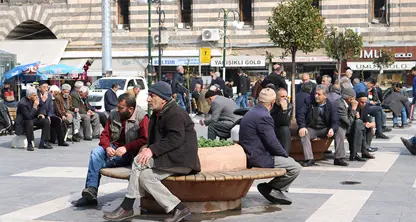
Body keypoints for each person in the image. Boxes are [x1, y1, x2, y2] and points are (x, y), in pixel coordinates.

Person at [103, 82, 200, 222]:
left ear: (163, 99)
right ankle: (180, 208)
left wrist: (151, 150)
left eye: (152, 96)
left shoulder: (175, 113)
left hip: (181, 160)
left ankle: (127, 207)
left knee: (138, 161)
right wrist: (146, 148)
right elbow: (153, 139)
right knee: (145, 177)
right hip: (170, 158)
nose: (148, 99)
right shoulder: (158, 113)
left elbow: (175, 138)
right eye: (149, 95)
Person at [72, 93, 149, 207]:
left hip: (129, 153)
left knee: (96, 163)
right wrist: (107, 147)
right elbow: (105, 135)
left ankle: (90, 195)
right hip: (113, 148)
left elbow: (144, 140)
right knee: (96, 152)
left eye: (121, 108)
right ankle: (91, 189)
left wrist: (126, 148)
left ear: (131, 109)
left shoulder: (142, 117)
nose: (117, 110)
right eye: (117, 106)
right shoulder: (114, 114)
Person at [239, 88, 301, 205]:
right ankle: (271, 188)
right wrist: (284, 155)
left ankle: (274, 189)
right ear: (272, 103)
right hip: (258, 157)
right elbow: (272, 142)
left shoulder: (251, 112)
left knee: (289, 162)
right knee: (295, 167)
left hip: (251, 153)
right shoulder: (264, 117)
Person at [297, 84, 348, 167]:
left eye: (319, 94)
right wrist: (302, 126)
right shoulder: (308, 101)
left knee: (340, 130)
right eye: (315, 94)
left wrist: (332, 129)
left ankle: (339, 158)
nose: (316, 96)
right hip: (311, 127)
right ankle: (309, 159)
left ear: (325, 96)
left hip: (325, 128)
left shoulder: (331, 104)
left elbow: (335, 120)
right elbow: (300, 114)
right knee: (304, 133)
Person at [337, 88, 374, 161]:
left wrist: (371, 124)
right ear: (356, 100)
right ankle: (357, 152)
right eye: (362, 102)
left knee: (365, 126)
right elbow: (348, 122)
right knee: (358, 125)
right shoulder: (350, 106)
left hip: (356, 126)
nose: (363, 104)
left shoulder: (365, 107)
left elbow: (366, 119)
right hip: (346, 127)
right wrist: (354, 109)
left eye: (365, 102)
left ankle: (364, 151)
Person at [15, 87, 52, 151]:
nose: (37, 96)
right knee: (29, 122)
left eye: (36, 94)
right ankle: (30, 143)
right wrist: (35, 107)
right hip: (23, 122)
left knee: (46, 121)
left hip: (33, 119)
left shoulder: (36, 99)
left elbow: (42, 106)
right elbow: (28, 116)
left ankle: (43, 142)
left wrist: (41, 113)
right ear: (29, 97)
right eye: (34, 95)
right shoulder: (22, 103)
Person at [37, 81, 68, 147]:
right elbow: (38, 108)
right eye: (44, 87)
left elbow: (50, 108)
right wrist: (43, 101)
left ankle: (61, 141)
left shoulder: (49, 96)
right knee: (46, 121)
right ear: (39, 88)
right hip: (38, 115)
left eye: (47, 87)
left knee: (57, 120)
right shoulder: (36, 95)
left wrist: (49, 115)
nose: (46, 89)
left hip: (47, 115)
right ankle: (45, 141)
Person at [270, 88, 292, 154]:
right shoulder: (271, 105)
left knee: (285, 129)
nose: (285, 99)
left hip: (280, 129)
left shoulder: (289, 106)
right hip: (270, 127)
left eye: (286, 96)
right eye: (282, 96)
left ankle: (286, 154)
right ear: (276, 97)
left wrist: (284, 110)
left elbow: (285, 123)